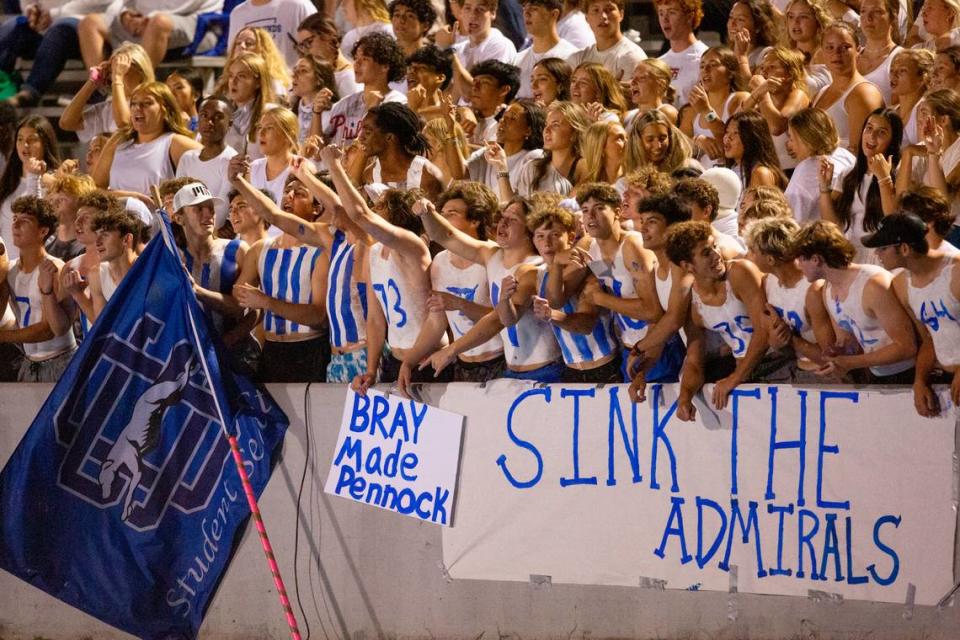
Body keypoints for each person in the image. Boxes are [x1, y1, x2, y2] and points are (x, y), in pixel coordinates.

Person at [322, 146, 446, 391]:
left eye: (380, 206)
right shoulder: (374, 252)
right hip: (395, 361)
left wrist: (335, 166)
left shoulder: (414, 246)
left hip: (427, 360)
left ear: (397, 214)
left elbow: (359, 215)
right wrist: (371, 369)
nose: (373, 209)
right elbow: (375, 318)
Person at [416, 196, 564, 380]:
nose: (503, 222)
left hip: (544, 372)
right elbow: (447, 236)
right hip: (512, 371)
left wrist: (452, 349)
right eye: (503, 217)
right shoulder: (491, 254)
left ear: (529, 229)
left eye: (513, 219)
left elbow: (500, 320)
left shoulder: (534, 269)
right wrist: (426, 213)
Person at [397, 182, 505, 391]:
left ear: (475, 220)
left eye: (452, 213)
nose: (442, 220)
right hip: (461, 364)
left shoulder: (492, 256)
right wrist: (410, 360)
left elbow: (501, 317)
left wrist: (459, 304)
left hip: (499, 362)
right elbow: (437, 320)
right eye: (442, 213)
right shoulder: (439, 262)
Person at [503, 205, 621, 382]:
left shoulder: (588, 269)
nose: (547, 243)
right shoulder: (537, 275)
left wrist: (553, 315)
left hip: (606, 367)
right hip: (570, 370)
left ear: (571, 237)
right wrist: (504, 299)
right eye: (540, 236)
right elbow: (509, 320)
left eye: (555, 235)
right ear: (533, 240)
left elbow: (586, 324)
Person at [666, 220, 771, 419]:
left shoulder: (740, 272)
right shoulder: (694, 304)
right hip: (744, 372)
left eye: (714, 246)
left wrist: (734, 379)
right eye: (706, 253)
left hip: (776, 364)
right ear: (687, 265)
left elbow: (764, 331)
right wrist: (685, 397)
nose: (716, 255)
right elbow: (695, 361)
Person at [233, 172, 329, 383]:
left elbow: (319, 317)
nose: (290, 196)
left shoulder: (320, 251)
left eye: (300, 193)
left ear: (317, 208)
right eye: (287, 191)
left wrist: (266, 301)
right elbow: (239, 296)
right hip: (271, 350)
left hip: (309, 351)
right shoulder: (260, 250)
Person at [793, 219, 917, 383]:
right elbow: (848, 342)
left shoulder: (873, 285)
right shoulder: (828, 290)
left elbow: (907, 346)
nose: (798, 265)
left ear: (816, 259)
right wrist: (837, 352)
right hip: (875, 374)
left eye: (801, 259)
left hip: (907, 374)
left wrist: (851, 362)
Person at [573, 183, 666, 381]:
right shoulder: (590, 248)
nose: (590, 216)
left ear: (617, 212)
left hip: (657, 351)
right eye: (585, 210)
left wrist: (599, 298)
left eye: (599, 208)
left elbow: (653, 311)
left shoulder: (633, 245)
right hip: (628, 349)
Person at [874, 213, 960, 415]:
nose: (877, 254)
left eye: (883, 248)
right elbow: (930, 338)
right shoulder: (902, 285)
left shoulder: (956, 271)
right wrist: (919, 380)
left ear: (904, 249)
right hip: (948, 380)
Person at [743, 217, 834, 379]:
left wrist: (790, 339)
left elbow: (831, 358)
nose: (747, 255)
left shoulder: (812, 290)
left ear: (770, 259)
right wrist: (776, 339)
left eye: (752, 251)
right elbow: (774, 341)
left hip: (824, 375)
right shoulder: (767, 283)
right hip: (794, 367)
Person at [0, 195, 77, 381]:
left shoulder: (55, 268)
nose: (16, 225)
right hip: (29, 362)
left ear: (42, 231)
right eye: (15, 219)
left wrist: (2, 337)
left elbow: (48, 330)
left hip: (60, 361)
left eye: (24, 221)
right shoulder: (9, 269)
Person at [92, 82, 201, 203]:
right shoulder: (119, 140)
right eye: (133, 103)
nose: (138, 108)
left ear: (165, 109)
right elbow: (95, 188)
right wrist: (129, 197)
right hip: (114, 219)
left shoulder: (174, 142)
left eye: (147, 103)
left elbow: (214, 161)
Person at [819, 107, 902, 263]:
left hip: (880, 257)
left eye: (881, 132)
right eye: (868, 128)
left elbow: (893, 219)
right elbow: (832, 224)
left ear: (892, 141)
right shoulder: (847, 173)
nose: (872, 136)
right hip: (850, 254)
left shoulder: (899, 175)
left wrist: (883, 178)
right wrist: (824, 188)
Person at [0, 0, 113, 108]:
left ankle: (30, 92)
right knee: (11, 27)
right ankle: (4, 86)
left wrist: (54, 14)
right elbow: (29, 3)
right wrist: (31, 10)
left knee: (59, 31)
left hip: (81, 24)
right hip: (42, 27)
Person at [322, 32, 407, 149]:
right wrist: (316, 113)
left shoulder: (397, 103)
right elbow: (318, 153)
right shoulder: (344, 104)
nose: (357, 63)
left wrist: (371, 109)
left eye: (365, 59)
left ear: (385, 66)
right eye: (356, 58)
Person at [811, 21, 884, 155]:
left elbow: (861, 154)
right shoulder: (821, 93)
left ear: (858, 50)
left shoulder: (863, 94)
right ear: (821, 51)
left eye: (845, 47)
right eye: (829, 47)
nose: (837, 53)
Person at [77, 0, 221, 68]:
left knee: (159, 22)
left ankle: (137, 92)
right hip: (143, 21)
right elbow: (123, 2)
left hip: (196, 22)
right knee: (90, 23)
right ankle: (101, 90)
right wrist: (126, 14)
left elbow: (189, 4)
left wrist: (147, 18)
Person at [352, 102, 445, 201]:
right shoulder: (370, 175)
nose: (360, 137)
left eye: (368, 132)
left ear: (389, 137)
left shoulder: (426, 176)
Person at [0, 115, 60, 263]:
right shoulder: (9, 181)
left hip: (34, 267)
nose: (25, 145)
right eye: (20, 139)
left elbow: (32, 218)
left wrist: (34, 177)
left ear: (45, 143)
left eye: (32, 139)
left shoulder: (54, 182)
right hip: (6, 268)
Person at [740, 47, 810, 172]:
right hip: (768, 170)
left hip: (793, 171)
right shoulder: (764, 99)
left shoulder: (798, 94)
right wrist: (757, 93)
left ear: (789, 74)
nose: (764, 72)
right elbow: (739, 120)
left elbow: (777, 127)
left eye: (771, 67)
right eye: (762, 68)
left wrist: (762, 93)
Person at [680, 46, 750, 170]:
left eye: (713, 65)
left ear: (730, 74)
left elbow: (735, 139)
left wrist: (706, 111)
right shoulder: (693, 110)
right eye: (702, 66)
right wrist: (697, 140)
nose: (705, 70)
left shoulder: (739, 100)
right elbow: (678, 144)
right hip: (701, 179)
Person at [783, 107, 855, 224]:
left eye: (792, 138)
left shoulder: (806, 169)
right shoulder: (845, 155)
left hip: (820, 237)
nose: (789, 145)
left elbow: (790, 220)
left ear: (806, 140)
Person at [176, 96, 238, 231]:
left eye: (217, 117)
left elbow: (220, 214)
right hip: (187, 234)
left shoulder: (232, 161)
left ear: (230, 123)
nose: (209, 122)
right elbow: (179, 202)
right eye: (204, 115)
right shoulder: (187, 158)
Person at [436, 0, 517, 102]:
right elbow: (453, 98)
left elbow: (473, 95)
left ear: (492, 13)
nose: (473, 15)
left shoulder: (500, 45)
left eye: (480, 9)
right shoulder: (459, 48)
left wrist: (448, 50)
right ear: (460, 12)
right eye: (467, 8)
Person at [462, 99, 545, 193]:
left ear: (528, 131)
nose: (503, 120)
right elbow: (459, 173)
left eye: (512, 118)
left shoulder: (533, 158)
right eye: (504, 116)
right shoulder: (489, 152)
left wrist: (501, 169)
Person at [513, 101, 589, 197]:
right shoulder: (532, 168)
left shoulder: (585, 169)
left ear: (574, 133)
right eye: (546, 125)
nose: (547, 130)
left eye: (555, 125)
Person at [513, 0, 579, 99]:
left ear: (554, 14)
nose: (527, 13)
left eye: (534, 9)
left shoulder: (571, 56)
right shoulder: (518, 60)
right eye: (524, 8)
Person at [569, 0, 647, 83]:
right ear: (586, 18)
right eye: (596, 10)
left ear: (621, 14)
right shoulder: (579, 59)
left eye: (609, 9)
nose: (603, 16)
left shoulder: (631, 56)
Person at [227, 0, 318, 69]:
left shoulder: (299, 5)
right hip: (253, 91)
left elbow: (319, 55)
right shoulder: (237, 14)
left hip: (291, 91)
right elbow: (233, 59)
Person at [223, 53, 278, 161]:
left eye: (241, 76)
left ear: (258, 82)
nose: (233, 81)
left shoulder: (271, 113)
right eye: (231, 75)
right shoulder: (222, 114)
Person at [673, 175, 746, 257]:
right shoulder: (680, 246)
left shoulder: (724, 250)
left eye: (684, 210)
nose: (677, 216)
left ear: (706, 211)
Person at [87, 207, 139, 321]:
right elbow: (102, 327)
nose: (97, 242)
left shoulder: (149, 271)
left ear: (126, 239)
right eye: (97, 234)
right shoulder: (97, 275)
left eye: (105, 234)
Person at [214, 26, 292, 100]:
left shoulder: (274, 83)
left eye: (249, 43)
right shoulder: (225, 83)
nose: (242, 46)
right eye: (238, 43)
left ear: (263, 51)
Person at [655, 0, 708, 107]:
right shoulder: (659, 63)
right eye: (661, 13)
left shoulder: (705, 59)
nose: (664, 19)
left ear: (689, 17)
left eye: (671, 12)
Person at [723, 110, 788, 193]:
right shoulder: (733, 167)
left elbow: (766, 205)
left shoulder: (760, 173)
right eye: (727, 131)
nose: (728, 138)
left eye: (736, 133)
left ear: (752, 138)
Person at [623, 108, 699, 176]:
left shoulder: (688, 169)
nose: (658, 146)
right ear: (638, 141)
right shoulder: (627, 177)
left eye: (662, 138)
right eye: (650, 140)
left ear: (670, 137)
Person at [44, 173, 97, 262]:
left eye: (62, 199)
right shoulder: (47, 246)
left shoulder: (87, 249)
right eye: (52, 200)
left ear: (82, 204)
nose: (54, 204)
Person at [857, 0, 901, 106]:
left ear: (892, 18)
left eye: (876, 11)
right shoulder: (851, 56)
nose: (868, 18)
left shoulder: (900, 58)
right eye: (863, 11)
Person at [783, 0, 832, 95]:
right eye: (791, 16)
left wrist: (795, 63)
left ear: (818, 22)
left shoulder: (824, 53)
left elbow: (818, 91)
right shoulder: (784, 51)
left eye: (803, 17)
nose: (795, 22)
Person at [467, 60, 520, 145]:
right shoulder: (468, 116)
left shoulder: (509, 124)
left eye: (484, 82)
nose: (475, 87)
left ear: (504, 90)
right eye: (474, 82)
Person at [890, 49, 933, 148]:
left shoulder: (924, 110)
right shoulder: (893, 111)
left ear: (922, 78)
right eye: (892, 70)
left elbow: (928, 152)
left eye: (902, 70)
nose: (894, 75)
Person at [728, 0, 781, 77]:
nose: (732, 24)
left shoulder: (766, 55)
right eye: (731, 17)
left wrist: (741, 57)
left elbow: (752, 87)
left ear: (758, 27)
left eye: (740, 19)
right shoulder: (729, 53)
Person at [624, 59, 678, 130]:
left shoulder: (666, 112)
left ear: (661, 85)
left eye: (641, 78)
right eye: (632, 77)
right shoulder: (628, 116)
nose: (633, 82)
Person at [580, 120, 627, 185]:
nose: (627, 142)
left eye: (626, 137)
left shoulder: (635, 184)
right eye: (620, 138)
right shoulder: (584, 190)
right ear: (600, 147)